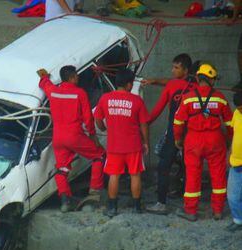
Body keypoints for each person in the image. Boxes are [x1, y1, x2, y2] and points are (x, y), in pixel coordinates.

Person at [37, 66, 105, 212]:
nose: (78, 78)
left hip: (57, 138)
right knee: (99, 155)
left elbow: (44, 83)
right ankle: (94, 192)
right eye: (76, 76)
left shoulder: (53, 91)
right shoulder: (80, 93)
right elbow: (88, 118)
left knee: (62, 169)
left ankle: (65, 201)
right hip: (74, 136)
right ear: (72, 77)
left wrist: (44, 77)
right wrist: (93, 136)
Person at [173, 63, 233, 222]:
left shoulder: (187, 98)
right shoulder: (220, 97)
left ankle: (191, 211)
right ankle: (218, 211)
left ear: (198, 78)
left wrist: (178, 139)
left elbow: (178, 122)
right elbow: (229, 123)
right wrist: (228, 141)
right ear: (212, 80)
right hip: (215, 140)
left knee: (193, 175)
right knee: (218, 176)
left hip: (193, 140)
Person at [144, 54, 197, 215]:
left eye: (176, 68)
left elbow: (158, 109)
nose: (172, 70)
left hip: (175, 132)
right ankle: (189, 204)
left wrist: (145, 123)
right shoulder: (197, 85)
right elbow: (174, 82)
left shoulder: (172, 86)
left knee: (163, 166)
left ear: (186, 70)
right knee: (190, 167)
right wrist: (155, 81)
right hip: (192, 133)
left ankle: (161, 202)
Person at [94, 69, 150, 217]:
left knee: (114, 175)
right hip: (133, 146)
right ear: (129, 85)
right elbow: (144, 124)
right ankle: (137, 207)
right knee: (135, 175)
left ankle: (112, 208)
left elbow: (98, 120)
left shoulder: (105, 99)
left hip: (114, 146)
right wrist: (146, 142)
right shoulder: (137, 101)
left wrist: (104, 128)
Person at [227, 92, 242, 231]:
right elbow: (235, 135)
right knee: (232, 195)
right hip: (236, 162)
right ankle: (238, 220)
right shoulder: (236, 114)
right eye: (238, 108)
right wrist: (230, 152)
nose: (240, 110)